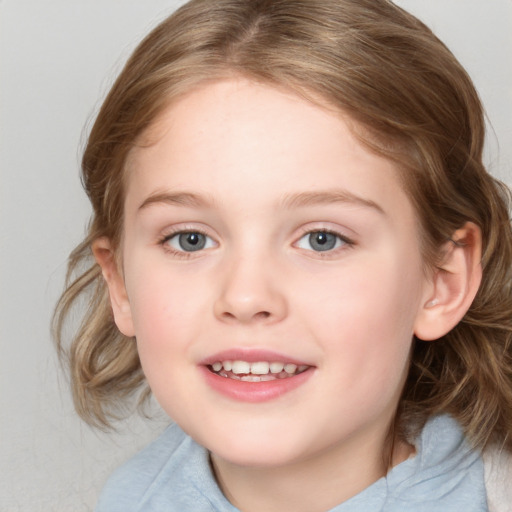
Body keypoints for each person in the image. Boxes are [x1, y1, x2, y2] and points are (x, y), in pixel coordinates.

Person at [53, 0, 512, 510]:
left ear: (442, 281)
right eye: (190, 239)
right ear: (120, 284)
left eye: (323, 238)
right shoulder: (129, 499)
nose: (246, 297)